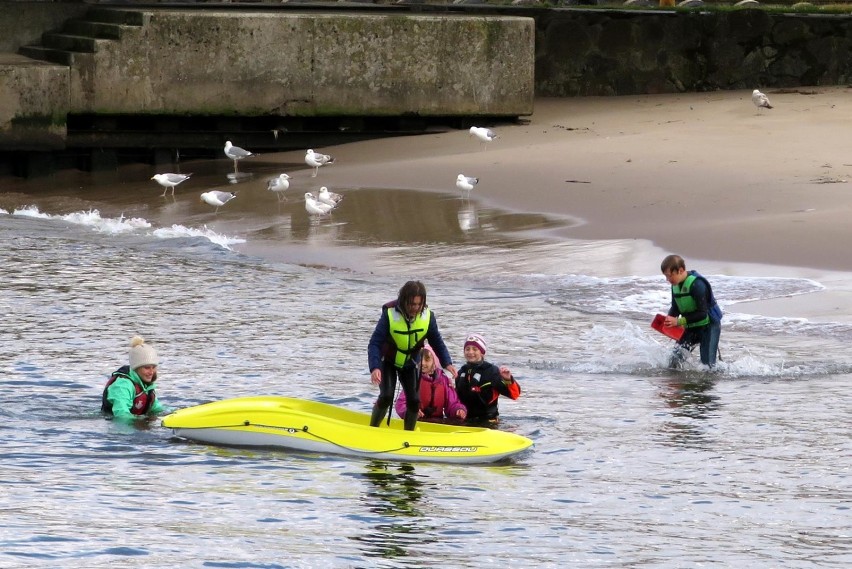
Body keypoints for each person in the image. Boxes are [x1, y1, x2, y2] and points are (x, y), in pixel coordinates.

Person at [368, 280, 456, 431]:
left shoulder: (428, 318)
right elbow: (375, 343)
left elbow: (437, 342)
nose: (415, 308)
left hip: (410, 362)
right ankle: (372, 429)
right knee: (386, 396)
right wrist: (375, 367)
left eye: (418, 304)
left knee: (415, 401)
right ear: (403, 301)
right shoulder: (389, 315)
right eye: (411, 304)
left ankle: (408, 434)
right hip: (388, 361)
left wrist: (447, 362)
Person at [660, 254, 723, 368]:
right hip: (691, 325)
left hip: (708, 326)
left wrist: (678, 322)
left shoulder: (697, 285)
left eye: (669, 276)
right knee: (674, 363)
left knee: (707, 368)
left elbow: (703, 314)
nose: (667, 280)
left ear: (681, 270)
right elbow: (675, 308)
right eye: (666, 277)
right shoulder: (675, 285)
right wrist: (669, 321)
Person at [454, 333, 521, 425]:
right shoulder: (461, 372)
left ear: (482, 352)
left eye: (475, 349)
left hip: (488, 422)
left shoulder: (492, 372)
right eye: (467, 349)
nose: (470, 352)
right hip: (466, 420)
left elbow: (515, 395)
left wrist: (508, 380)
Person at [394, 344, 467, 423]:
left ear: (434, 362)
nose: (423, 363)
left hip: (437, 423)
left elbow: (453, 403)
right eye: (420, 360)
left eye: (427, 360)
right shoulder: (412, 380)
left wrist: (458, 410)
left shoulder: (444, 381)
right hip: (416, 421)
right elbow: (401, 404)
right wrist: (410, 411)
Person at [101, 335, 164, 420]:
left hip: (135, 421)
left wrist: (175, 413)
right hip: (117, 426)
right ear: (136, 368)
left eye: (153, 367)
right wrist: (142, 422)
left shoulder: (146, 386)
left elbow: (157, 409)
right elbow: (121, 414)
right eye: (147, 367)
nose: (151, 372)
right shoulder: (122, 386)